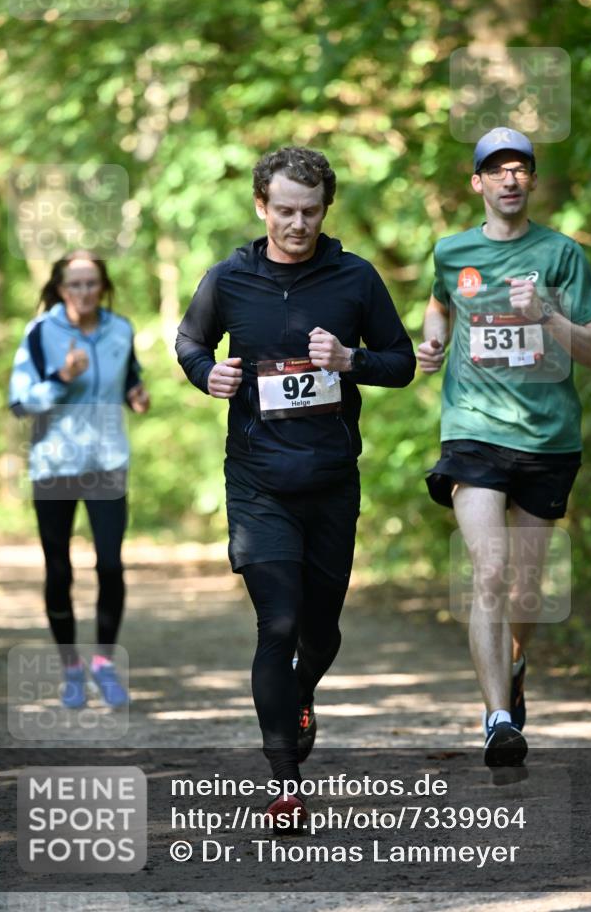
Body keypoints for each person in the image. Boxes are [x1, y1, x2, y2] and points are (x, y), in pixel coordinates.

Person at [176, 146, 415, 827]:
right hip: (258, 481)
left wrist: (351, 360)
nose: (296, 224)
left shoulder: (354, 279)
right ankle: (284, 781)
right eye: (283, 210)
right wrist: (207, 375)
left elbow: (399, 365)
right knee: (275, 623)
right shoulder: (229, 278)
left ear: (324, 210)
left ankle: (300, 689)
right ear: (261, 207)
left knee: (321, 631)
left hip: (330, 481)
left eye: (309, 212)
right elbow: (191, 343)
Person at [417, 128, 591, 769]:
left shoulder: (560, 255)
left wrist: (548, 317)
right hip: (472, 429)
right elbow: (439, 304)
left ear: (530, 181)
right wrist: (433, 339)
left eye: (519, 170)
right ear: (476, 183)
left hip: (547, 438)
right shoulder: (451, 251)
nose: (508, 179)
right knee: (490, 571)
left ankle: (516, 660)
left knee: (525, 589)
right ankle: (498, 719)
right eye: (495, 170)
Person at [9, 249, 150, 709]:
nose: (84, 292)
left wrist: (137, 395)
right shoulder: (40, 333)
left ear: (103, 286)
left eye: (92, 283)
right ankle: (71, 668)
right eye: (75, 284)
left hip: (108, 460)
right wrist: (61, 378)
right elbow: (19, 402)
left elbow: (129, 380)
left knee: (110, 563)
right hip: (54, 464)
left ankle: (104, 664)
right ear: (60, 287)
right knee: (59, 568)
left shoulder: (120, 329)